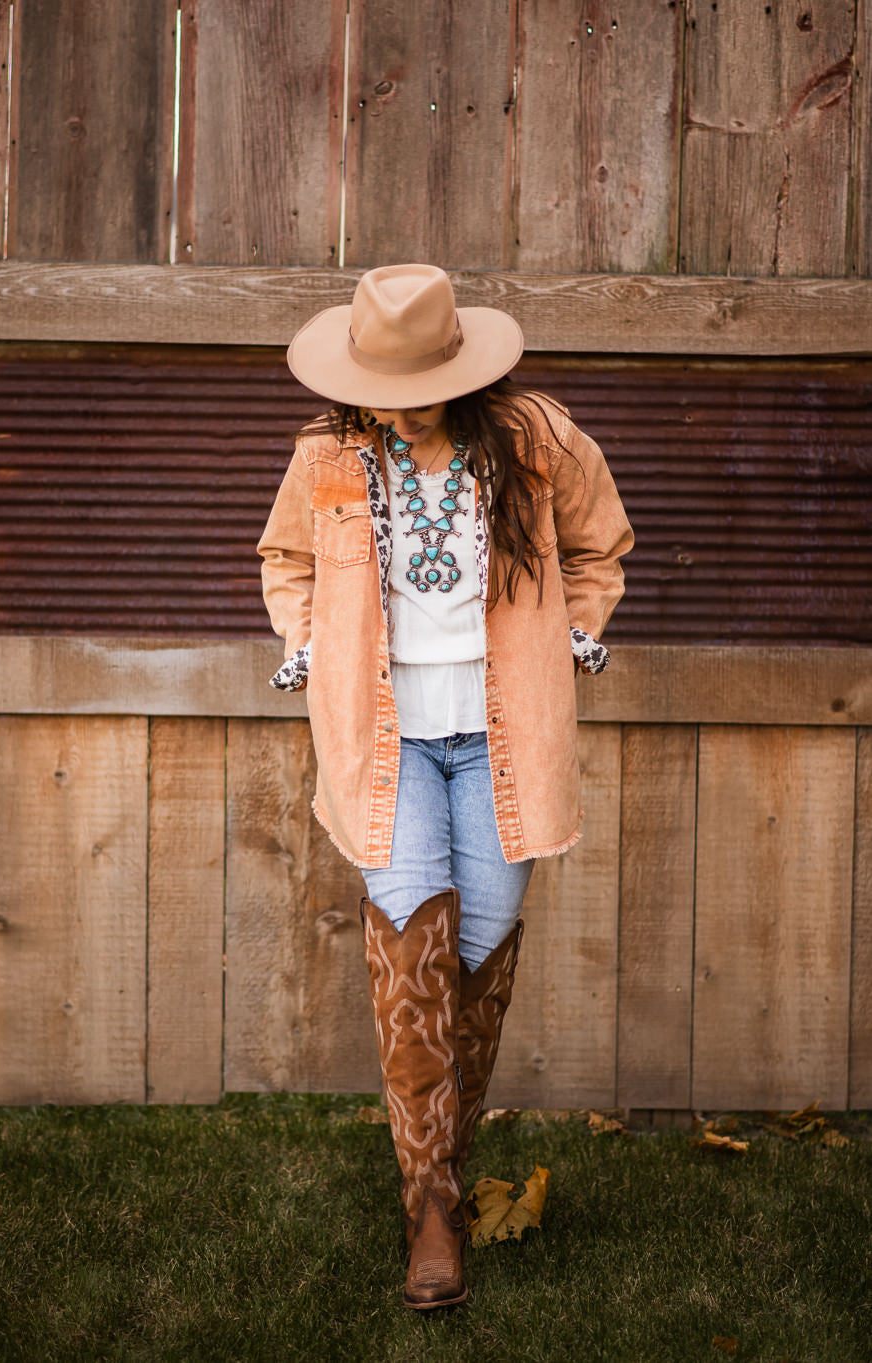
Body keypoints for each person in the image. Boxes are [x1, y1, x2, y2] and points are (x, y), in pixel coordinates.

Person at [257, 264, 633, 1310]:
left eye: (419, 383)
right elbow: (285, 560)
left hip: (505, 734)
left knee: (478, 947)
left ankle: (443, 1170)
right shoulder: (326, 451)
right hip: (386, 740)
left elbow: (600, 546)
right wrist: (308, 633)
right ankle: (431, 1206)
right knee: (409, 938)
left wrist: (576, 636)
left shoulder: (535, 438)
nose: (400, 406)